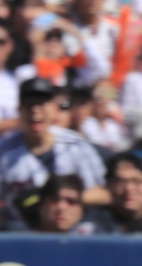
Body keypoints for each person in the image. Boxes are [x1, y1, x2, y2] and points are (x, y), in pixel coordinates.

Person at [0, 77, 109, 210]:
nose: (35, 110)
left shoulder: (75, 144)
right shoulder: (4, 150)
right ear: (19, 111)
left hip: (73, 227)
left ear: (53, 109)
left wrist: (62, 199)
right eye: (29, 105)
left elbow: (104, 193)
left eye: (41, 104)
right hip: (19, 227)